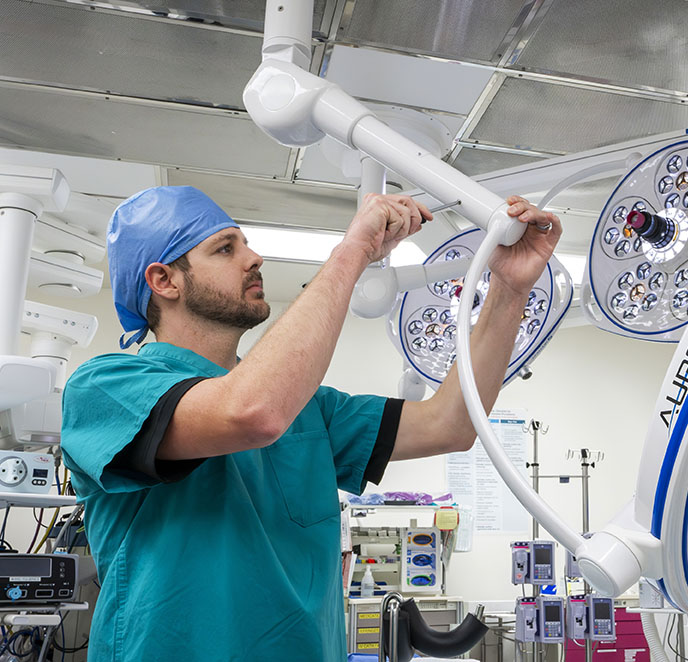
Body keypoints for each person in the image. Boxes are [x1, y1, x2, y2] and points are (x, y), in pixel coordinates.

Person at [60, 185, 561, 661]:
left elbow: (449, 423)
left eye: (247, 243)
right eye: (224, 248)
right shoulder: (106, 388)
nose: (253, 257)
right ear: (164, 280)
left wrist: (510, 290)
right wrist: (353, 251)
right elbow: (251, 412)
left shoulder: (310, 409)